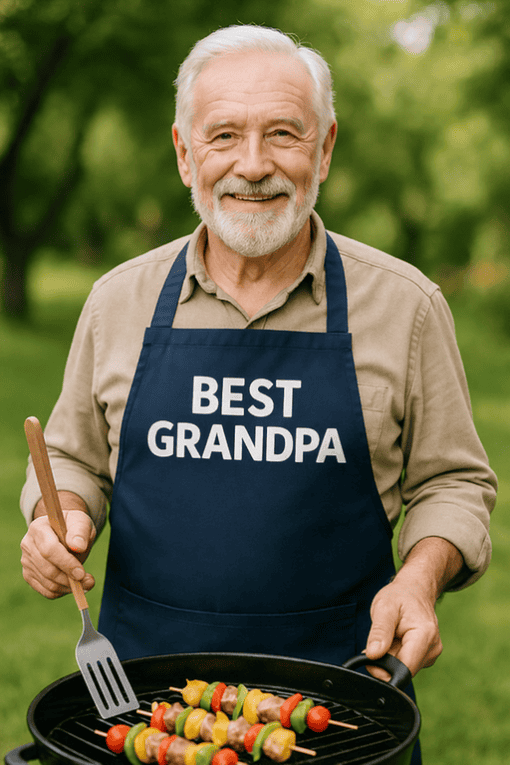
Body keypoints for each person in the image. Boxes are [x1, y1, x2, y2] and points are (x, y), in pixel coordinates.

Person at [20, 25, 496, 765]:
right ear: (184, 153)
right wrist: (63, 516)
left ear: (326, 148)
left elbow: (454, 481)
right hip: (143, 712)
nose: (253, 165)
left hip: (342, 711)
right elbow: (72, 457)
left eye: (283, 133)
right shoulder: (118, 301)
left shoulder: (406, 306)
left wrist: (420, 575)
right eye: (224, 136)